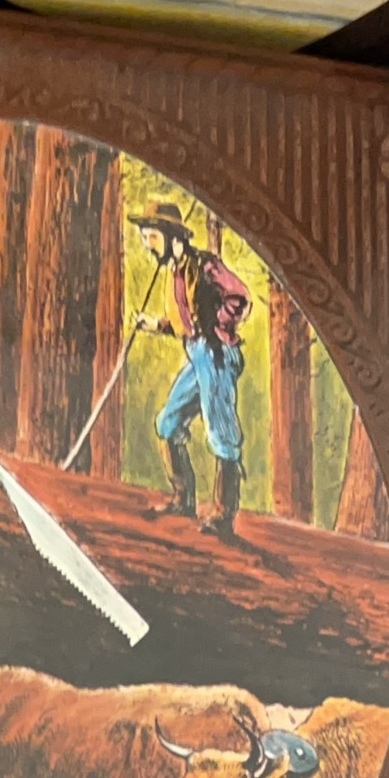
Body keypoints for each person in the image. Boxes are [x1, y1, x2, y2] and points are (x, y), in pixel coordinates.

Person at [133, 200, 252, 541]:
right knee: (168, 423)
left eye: (152, 237)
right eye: (144, 238)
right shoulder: (176, 273)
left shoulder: (205, 266)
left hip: (217, 355)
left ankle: (224, 515)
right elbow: (186, 322)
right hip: (197, 354)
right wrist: (156, 325)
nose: (147, 245)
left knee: (221, 433)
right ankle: (183, 499)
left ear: (172, 236)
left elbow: (239, 297)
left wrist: (220, 324)